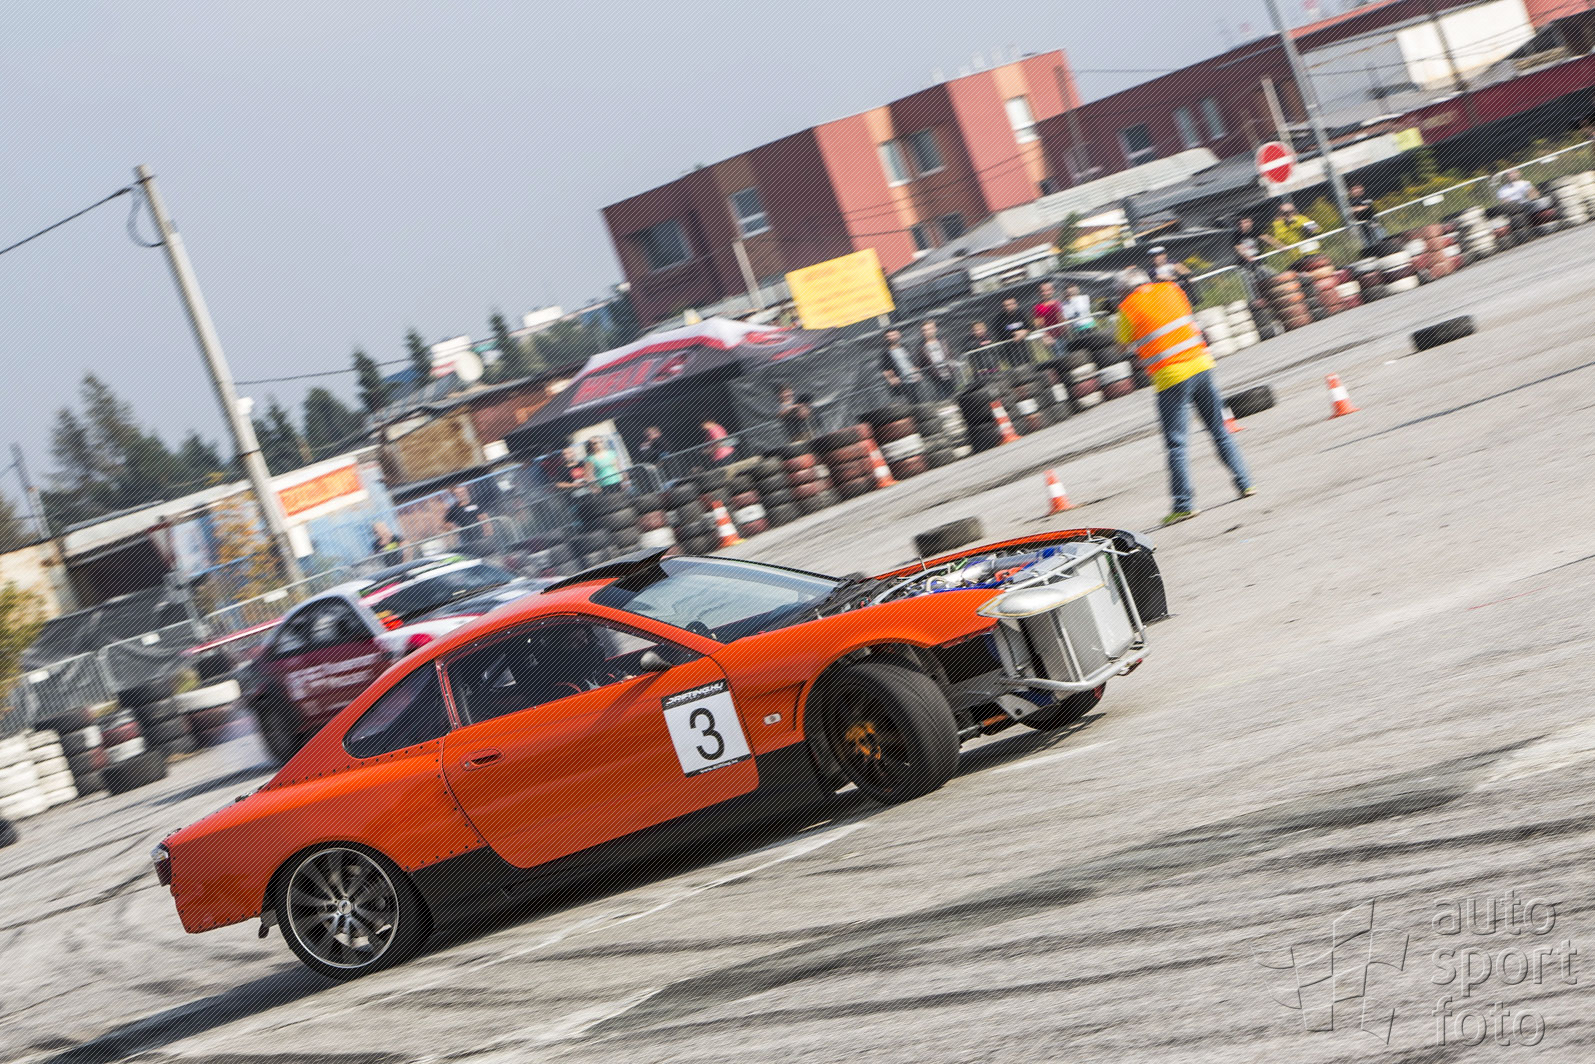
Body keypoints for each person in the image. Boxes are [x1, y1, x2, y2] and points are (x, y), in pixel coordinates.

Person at [1114, 267, 1253, 526]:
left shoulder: (1127, 307)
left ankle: (1183, 505)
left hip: (1171, 377)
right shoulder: (1171, 288)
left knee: (1176, 445)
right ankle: (1245, 483)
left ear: (1124, 291)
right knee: (1219, 429)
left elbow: (1121, 346)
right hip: (1201, 365)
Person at [914, 319, 958, 400]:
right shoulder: (920, 347)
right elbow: (920, 363)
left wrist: (953, 366)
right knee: (943, 398)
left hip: (950, 372)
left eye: (930, 329)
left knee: (956, 395)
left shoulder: (944, 341)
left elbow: (951, 354)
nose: (928, 332)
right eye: (924, 330)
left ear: (935, 329)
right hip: (935, 376)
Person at [879, 328, 921, 402]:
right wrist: (891, 378)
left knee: (922, 400)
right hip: (902, 382)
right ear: (886, 338)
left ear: (899, 335)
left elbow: (914, 361)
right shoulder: (886, 352)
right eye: (889, 336)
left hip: (914, 379)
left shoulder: (905, 347)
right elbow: (884, 368)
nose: (892, 337)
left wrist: (917, 372)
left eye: (894, 335)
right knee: (912, 402)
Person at [443, 485, 486, 550]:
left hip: (482, 536)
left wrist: (488, 535)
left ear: (466, 491)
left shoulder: (476, 503)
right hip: (467, 540)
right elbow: (446, 523)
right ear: (454, 495)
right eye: (457, 493)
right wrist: (454, 527)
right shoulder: (454, 509)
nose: (461, 494)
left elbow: (485, 519)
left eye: (462, 492)